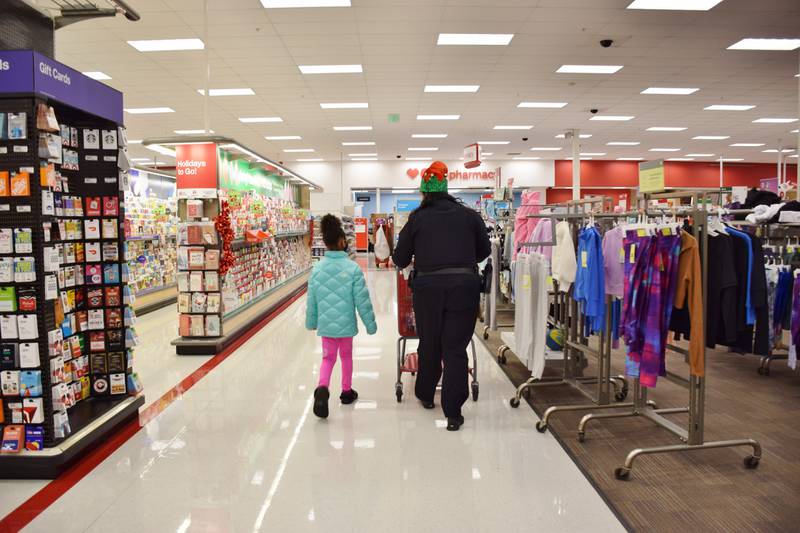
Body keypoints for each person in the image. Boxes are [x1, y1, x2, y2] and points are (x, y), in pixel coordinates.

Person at [392, 161, 491, 431]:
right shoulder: (470, 216)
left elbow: (399, 257)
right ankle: (454, 412)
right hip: (465, 287)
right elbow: (483, 252)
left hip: (428, 290)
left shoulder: (417, 218)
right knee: (455, 347)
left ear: (425, 191)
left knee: (431, 342)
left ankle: (426, 394)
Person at [306, 214, 377, 419]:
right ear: (342, 242)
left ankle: (322, 388)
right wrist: (370, 325)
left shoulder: (317, 270)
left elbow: (312, 300)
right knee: (346, 357)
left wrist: (311, 322)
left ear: (326, 244)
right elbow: (362, 300)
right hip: (346, 325)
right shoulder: (352, 268)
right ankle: (346, 392)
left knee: (328, 358)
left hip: (327, 325)